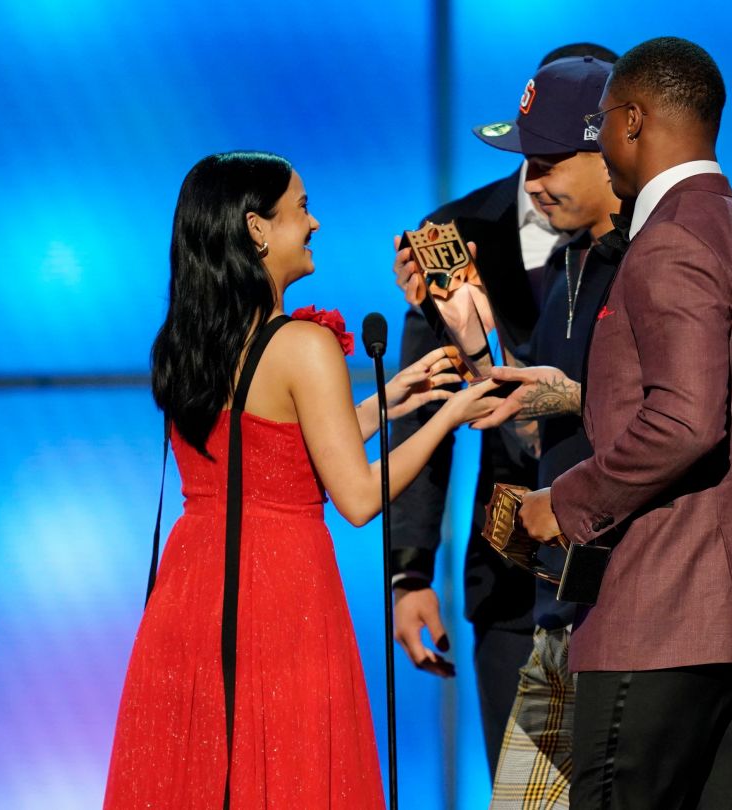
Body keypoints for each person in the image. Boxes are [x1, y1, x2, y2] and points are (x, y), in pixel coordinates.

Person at [103, 151, 498, 809]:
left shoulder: (188, 342)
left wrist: (388, 400)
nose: (314, 224)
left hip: (192, 595)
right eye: (302, 208)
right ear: (257, 229)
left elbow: (265, 451)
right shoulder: (302, 347)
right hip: (279, 594)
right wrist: (450, 412)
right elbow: (358, 496)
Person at [516, 38, 732, 809]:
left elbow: (686, 422)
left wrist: (565, 501)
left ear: (629, 120)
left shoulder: (669, 244)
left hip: (662, 618)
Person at [388, 42, 618, 778]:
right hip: (511, 570)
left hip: (622, 563)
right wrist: (409, 574)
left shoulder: (644, 240)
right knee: (528, 789)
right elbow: (424, 411)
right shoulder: (448, 237)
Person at [457, 54, 622, 808]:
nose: (529, 183)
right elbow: (536, 436)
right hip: (557, 626)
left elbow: (689, 423)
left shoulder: (665, 263)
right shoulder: (570, 269)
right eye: (525, 162)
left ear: (612, 147)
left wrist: (575, 398)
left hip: (633, 628)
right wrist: (475, 345)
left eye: (548, 162)